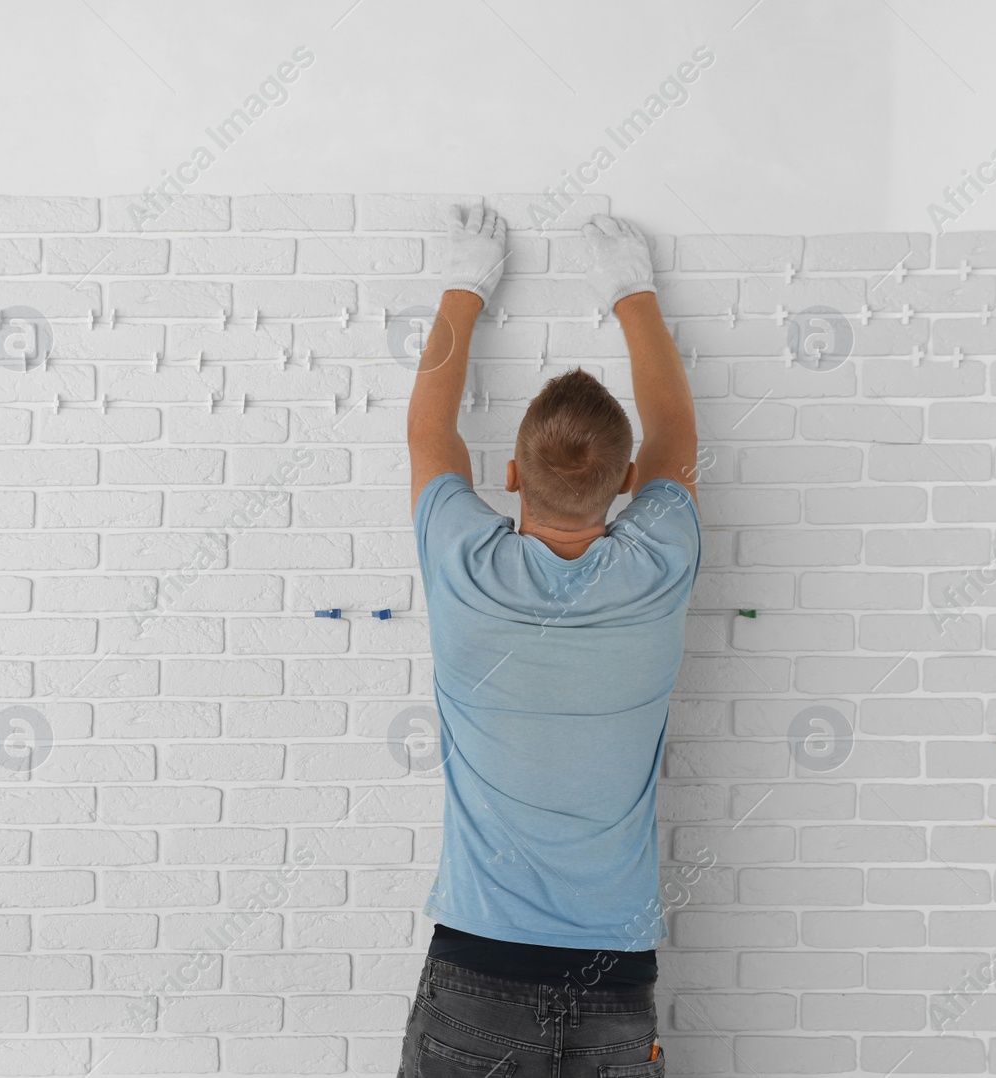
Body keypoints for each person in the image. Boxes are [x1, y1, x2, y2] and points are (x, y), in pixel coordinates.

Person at [397, 205, 703, 1077]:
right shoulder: (660, 566)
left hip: (475, 976)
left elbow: (428, 431)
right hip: (614, 986)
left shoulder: (464, 567)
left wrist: (467, 281)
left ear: (508, 477)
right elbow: (676, 433)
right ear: (628, 485)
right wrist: (630, 290)